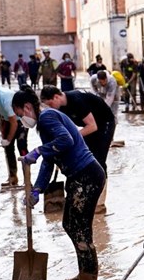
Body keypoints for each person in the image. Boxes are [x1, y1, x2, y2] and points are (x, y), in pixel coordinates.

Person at [12, 87, 105, 280]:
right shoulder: (44, 123)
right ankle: (85, 273)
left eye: (20, 115)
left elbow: (66, 140)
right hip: (79, 176)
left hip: (86, 176)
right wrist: (37, 189)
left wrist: (37, 150)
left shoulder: (47, 118)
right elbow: (49, 160)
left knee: (79, 228)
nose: (21, 120)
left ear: (27, 107)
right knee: (71, 224)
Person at [40, 85, 115, 215]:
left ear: (56, 97)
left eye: (51, 103)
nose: (50, 108)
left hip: (104, 124)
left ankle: (100, 203)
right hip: (89, 127)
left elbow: (92, 126)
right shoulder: (60, 108)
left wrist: (72, 137)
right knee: (84, 158)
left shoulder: (76, 100)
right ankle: (86, 196)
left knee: (98, 161)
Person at [0, 82, 28, 189]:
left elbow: (14, 123)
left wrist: (8, 139)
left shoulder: (6, 99)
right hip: (8, 119)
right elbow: (1, 114)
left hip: (21, 119)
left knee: (22, 148)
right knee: (8, 149)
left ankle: (27, 179)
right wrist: (3, 134)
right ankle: (13, 177)